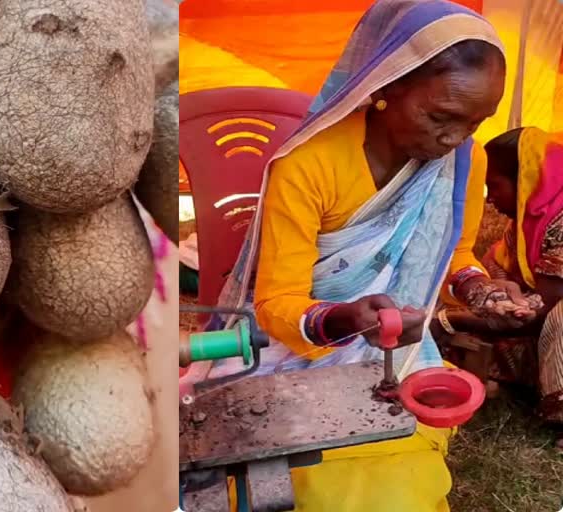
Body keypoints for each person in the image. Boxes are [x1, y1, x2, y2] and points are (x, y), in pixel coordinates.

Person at [204, 0, 529, 510]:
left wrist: (478, 287)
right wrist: (344, 320)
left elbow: (455, 252)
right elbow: (278, 302)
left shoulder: (463, 162)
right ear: (384, 87)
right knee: (323, 476)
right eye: (441, 116)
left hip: (398, 352)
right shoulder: (309, 166)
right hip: (298, 346)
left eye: (476, 122)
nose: (454, 139)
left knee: (403, 477)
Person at [434, 127, 563, 436]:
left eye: (494, 186)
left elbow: (534, 314)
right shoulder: (530, 221)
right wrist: (505, 287)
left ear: (526, 179)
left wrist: (444, 321)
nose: (489, 199)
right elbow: (497, 264)